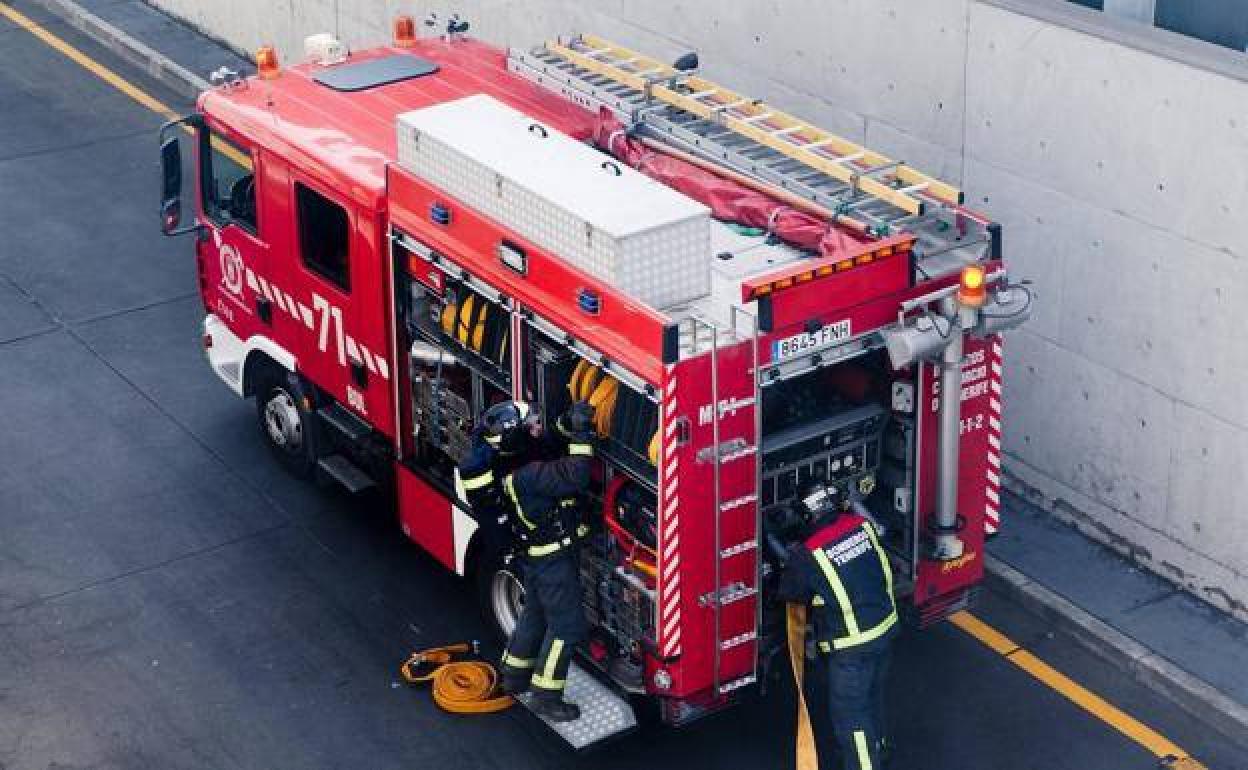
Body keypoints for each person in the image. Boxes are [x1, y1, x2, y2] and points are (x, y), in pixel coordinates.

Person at [773, 482, 899, 770]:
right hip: (886, 630)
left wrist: (789, 556)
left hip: (851, 650)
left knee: (851, 718)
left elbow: (791, 594)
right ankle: (880, 749)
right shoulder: (861, 526)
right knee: (873, 697)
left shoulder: (808, 555)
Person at [496, 401, 596, 722]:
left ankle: (513, 674)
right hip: (554, 562)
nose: (538, 428)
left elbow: (549, 444)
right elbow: (575, 475)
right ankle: (546, 696)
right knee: (566, 627)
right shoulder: (533, 475)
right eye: (533, 426)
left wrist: (566, 421)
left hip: (537, 559)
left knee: (535, 615)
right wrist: (581, 432)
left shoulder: (515, 468)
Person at [455, 400, 543, 558]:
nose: (538, 428)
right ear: (512, 438)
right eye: (532, 425)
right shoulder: (485, 473)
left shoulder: (492, 447)